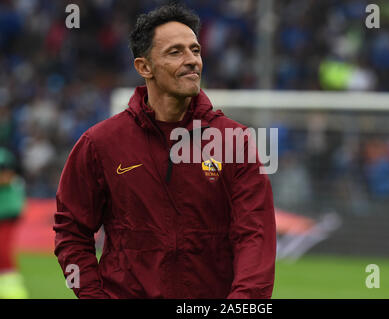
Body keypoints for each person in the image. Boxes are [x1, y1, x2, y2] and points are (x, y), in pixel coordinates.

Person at [53, 4, 276, 299]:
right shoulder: (100, 144)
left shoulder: (234, 141)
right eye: (175, 52)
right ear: (144, 67)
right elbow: (71, 233)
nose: (192, 61)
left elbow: (255, 235)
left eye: (195, 50)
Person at [0, 147, 28, 299]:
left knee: (2, 250)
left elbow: (7, 177)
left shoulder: (3, 156)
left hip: (7, 210)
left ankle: (13, 291)